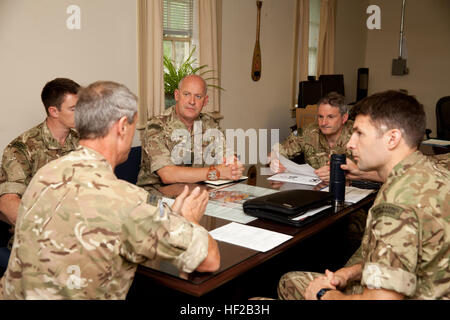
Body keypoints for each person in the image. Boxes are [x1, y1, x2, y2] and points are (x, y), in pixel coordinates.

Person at [0, 81, 220, 300]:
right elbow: (208, 260)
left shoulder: (45, 175)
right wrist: (190, 220)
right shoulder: (127, 201)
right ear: (122, 126)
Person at [276, 90, 449, 300]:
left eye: (360, 133)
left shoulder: (396, 204)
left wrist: (324, 295)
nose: (350, 143)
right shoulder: (432, 173)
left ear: (392, 138)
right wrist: (350, 272)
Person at [0, 78, 80, 269]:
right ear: (53, 111)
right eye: (74, 108)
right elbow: (8, 203)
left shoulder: (82, 142)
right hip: (39, 237)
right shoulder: (22, 148)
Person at [137, 74, 244, 192]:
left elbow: (226, 156)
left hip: (200, 191)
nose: (192, 101)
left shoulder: (209, 124)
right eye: (187, 94)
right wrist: (217, 172)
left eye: (198, 96)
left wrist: (233, 165)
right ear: (177, 95)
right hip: (159, 198)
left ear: (205, 101)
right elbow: (168, 175)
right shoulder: (157, 126)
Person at [270, 92, 382, 183]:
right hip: (316, 192)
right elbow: (274, 153)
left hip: (356, 196)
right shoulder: (307, 132)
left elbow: (384, 174)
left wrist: (343, 174)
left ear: (344, 118)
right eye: (320, 116)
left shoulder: (360, 134)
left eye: (330, 117)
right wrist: (274, 162)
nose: (323, 122)